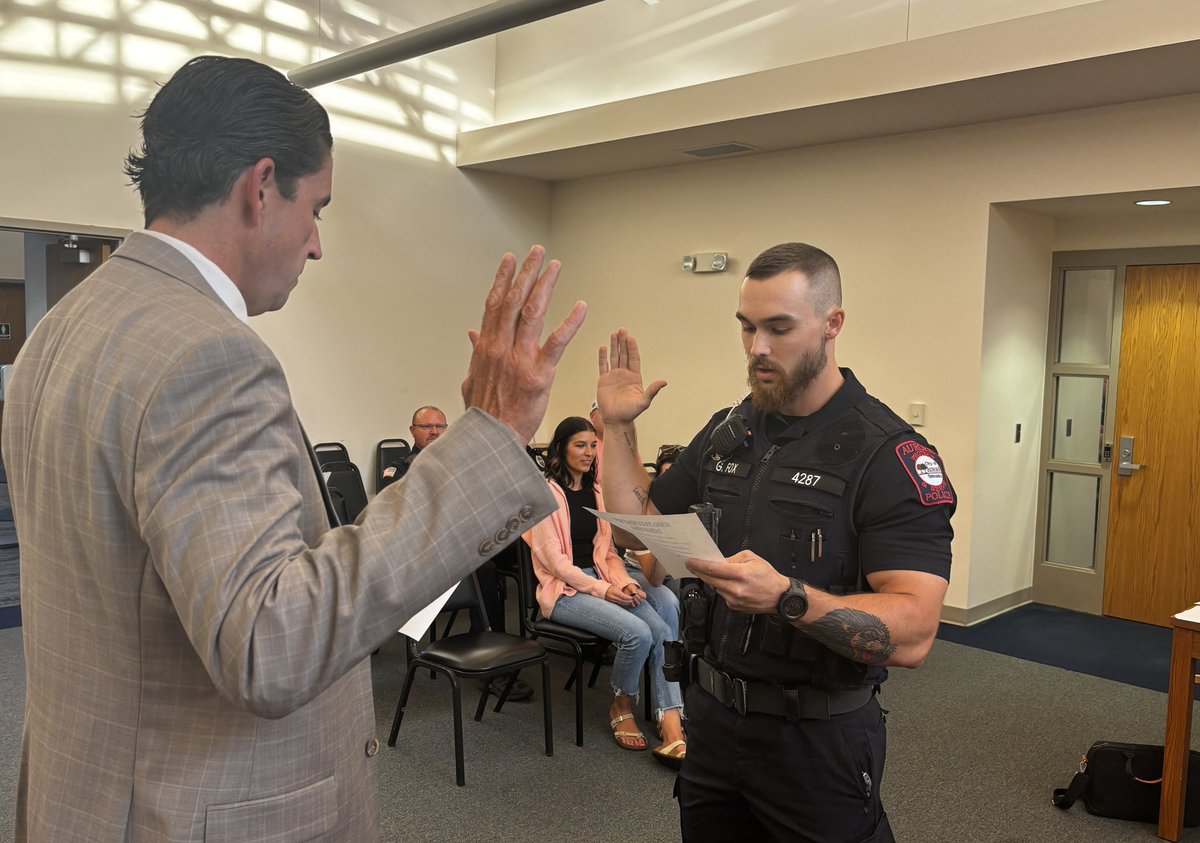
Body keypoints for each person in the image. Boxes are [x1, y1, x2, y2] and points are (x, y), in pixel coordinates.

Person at [3, 55, 586, 842]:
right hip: (188, 810)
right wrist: (489, 440)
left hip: (85, 794)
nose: (316, 245)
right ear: (261, 185)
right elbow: (271, 643)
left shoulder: (61, 328)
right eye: (317, 208)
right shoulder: (207, 355)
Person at [597, 242, 955, 842]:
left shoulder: (889, 454)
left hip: (816, 741)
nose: (757, 348)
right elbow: (639, 530)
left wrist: (789, 597)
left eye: (779, 328)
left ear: (832, 324)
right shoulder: (730, 429)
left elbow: (915, 631)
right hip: (712, 722)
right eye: (747, 327)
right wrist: (616, 427)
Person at [524, 416, 687, 769]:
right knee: (637, 633)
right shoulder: (543, 494)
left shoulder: (596, 491)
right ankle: (622, 704)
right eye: (579, 445)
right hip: (565, 590)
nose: (589, 452)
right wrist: (605, 590)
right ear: (561, 448)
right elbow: (556, 564)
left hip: (600, 575)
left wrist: (623, 583)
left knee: (659, 629)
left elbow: (608, 553)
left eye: (592, 445)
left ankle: (668, 715)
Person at [378, 405, 448, 488]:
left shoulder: (455, 462)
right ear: (412, 431)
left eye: (439, 426)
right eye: (426, 426)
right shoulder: (400, 470)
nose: (434, 432)